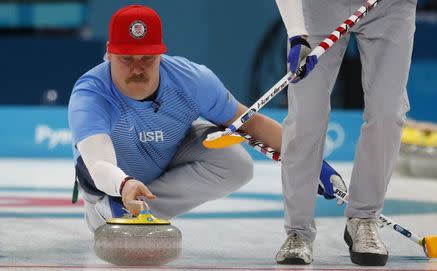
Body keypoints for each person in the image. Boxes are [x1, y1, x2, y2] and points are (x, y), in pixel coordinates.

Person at [68, 4, 345, 233]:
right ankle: (112, 206)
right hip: (110, 185)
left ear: (161, 54)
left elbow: (249, 122)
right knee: (109, 188)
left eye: (147, 58)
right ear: (109, 52)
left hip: (166, 158)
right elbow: (99, 162)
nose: (137, 69)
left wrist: (311, 162)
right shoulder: (91, 94)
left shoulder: (192, 80)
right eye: (127, 59)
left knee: (236, 164)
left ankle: (138, 209)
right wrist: (123, 185)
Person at [274, 0, 416, 266]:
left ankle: (364, 219)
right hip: (318, 6)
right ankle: (298, 231)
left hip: (390, 6)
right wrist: (296, 32)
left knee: (388, 111)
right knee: (306, 113)